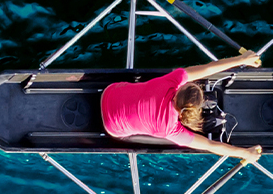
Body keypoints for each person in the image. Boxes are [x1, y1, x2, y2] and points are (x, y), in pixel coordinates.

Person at [101, 51, 263, 161]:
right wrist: (245, 153)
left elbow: (207, 68)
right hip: (112, 128)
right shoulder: (172, 129)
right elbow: (210, 145)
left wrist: (242, 59)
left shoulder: (171, 81)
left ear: (181, 89)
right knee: (169, 139)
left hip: (109, 92)